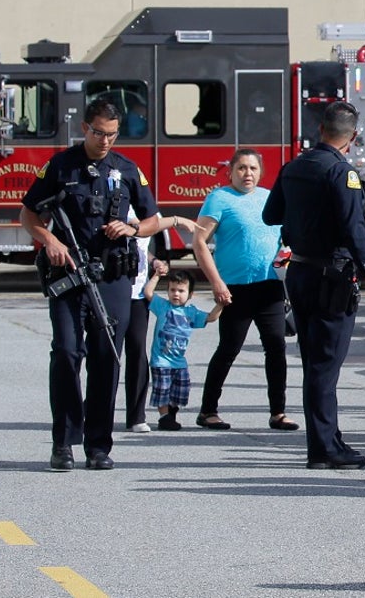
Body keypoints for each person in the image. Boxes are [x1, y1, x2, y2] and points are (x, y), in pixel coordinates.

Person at [20, 99, 158, 471]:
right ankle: (63, 442)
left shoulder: (127, 170)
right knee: (66, 352)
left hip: (111, 279)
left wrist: (131, 228)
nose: (105, 141)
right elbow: (29, 212)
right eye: (99, 133)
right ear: (85, 128)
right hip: (67, 277)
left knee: (105, 360)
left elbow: (153, 220)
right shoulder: (61, 166)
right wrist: (49, 240)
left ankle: (98, 445)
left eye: (112, 135)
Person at [263, 101, 365, 470]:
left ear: (321, 130)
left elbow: (270, 215)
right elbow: (356, 230)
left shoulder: (294, 166)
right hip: (332, 276)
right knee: (325, 366)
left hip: (300, 272)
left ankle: (328, 438)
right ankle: (322, 448)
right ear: (352, 137)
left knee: (314, 363)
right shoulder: (342, 173)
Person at [193, 149, 299, 432]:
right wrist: (216, 282)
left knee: (276, 347)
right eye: (241, 168)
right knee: (229, 348)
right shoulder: (220, 198)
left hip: (269, 285)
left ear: (261, 172)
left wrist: (287, 256)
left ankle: (278, 412)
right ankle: (208, 411)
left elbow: (286, 237)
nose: (247, 173)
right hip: (234, 288)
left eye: (253, 168)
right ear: (230, 171)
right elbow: (199, 241)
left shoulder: (269, 198)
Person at [122, 210, 197, 433]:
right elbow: (139, 227)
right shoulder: (116, 201)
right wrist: (178, 219)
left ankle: (136, 416)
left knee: (137, 352)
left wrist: (155, 263)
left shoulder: (145, 206)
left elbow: (142, 247)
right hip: (113, 291)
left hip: (137, 295)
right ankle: (96, 410)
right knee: (106, 354)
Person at [142, 267, 223, 430]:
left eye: (181, 290)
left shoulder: (191, 313)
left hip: (179, 362)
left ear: (190, 294)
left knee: (181, 389)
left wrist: (221, 303)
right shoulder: (163, 306)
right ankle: (164, 417)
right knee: (162, 389)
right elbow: (148, 292)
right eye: (172, 290)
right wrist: (156, 276)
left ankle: (171, 412)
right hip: (161, 360)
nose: (176, 294)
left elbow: (211, 318)